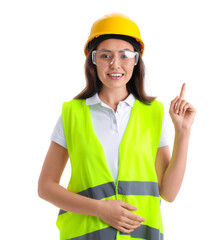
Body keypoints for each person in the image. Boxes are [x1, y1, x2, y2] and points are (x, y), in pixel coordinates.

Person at [38, 13, 196, 240]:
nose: (115, 64)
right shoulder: (71, 114)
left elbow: (168, 193)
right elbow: (45, 187)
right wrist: (101, 209)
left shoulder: (154, 113)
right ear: (93, 60)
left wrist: (184, 132)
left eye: (124, 55)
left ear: (136, 60)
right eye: (105, 55)